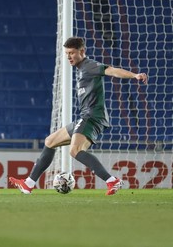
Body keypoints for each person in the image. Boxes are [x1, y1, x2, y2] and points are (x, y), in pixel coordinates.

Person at [9, 37, 148, 196]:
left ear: (82, 51)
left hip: (92, 117)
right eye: (67, 53)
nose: (69, 56)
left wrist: (134, 75)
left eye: (72, 53)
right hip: (85, 116)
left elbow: (112, 70)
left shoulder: (89, 66)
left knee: (75, 150)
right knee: (50, 141)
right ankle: (28, 184)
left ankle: (112, 181)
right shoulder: (81, 69)